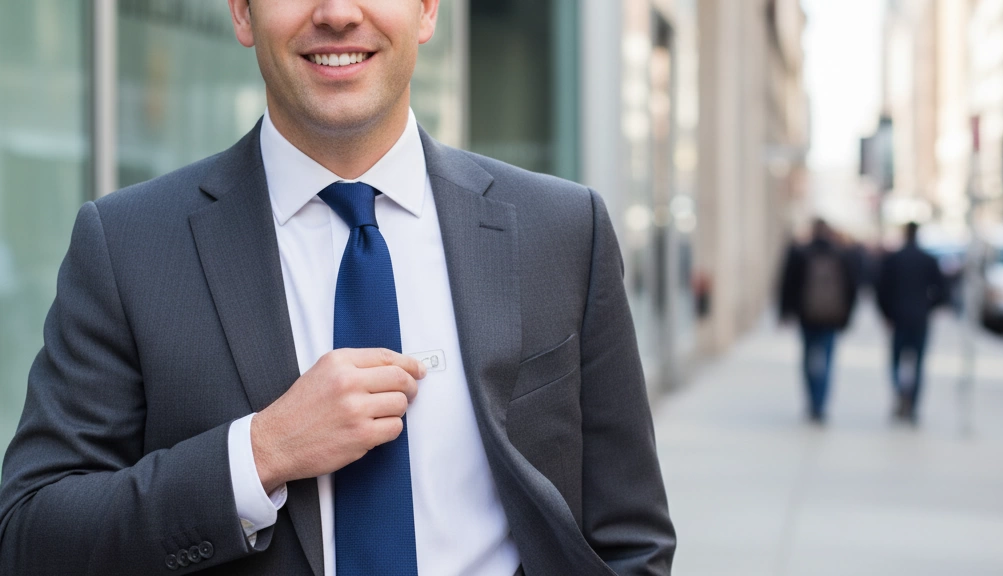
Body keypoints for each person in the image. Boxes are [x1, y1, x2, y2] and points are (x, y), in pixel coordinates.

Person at [0, 2, 675, 575]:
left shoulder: (561, 229)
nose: (337, 13)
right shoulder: (129, 245)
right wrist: (261, 453)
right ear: (241, 11)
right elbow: (31, 533)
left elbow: (630, 538)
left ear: (429, 9)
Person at [779, 219, 858, 423]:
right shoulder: (840, 254)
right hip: (831, 317)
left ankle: (812, 403)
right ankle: (821, 404)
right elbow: (851, 288)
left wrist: (785, 312)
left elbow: (787, 284)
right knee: (827, 360)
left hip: (807, 316)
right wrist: (847, 317)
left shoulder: (800, 252)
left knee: (808, 359)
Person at [875, 222, 948, 423]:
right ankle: (912, 404)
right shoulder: (928, 260)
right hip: (919, 319)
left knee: (896, 362)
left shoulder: (894, 259)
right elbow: (942, 292)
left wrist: (887, 314)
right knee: (917, 364)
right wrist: (927, 308)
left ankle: (901, 394)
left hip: (898, 318)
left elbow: (881, 290)